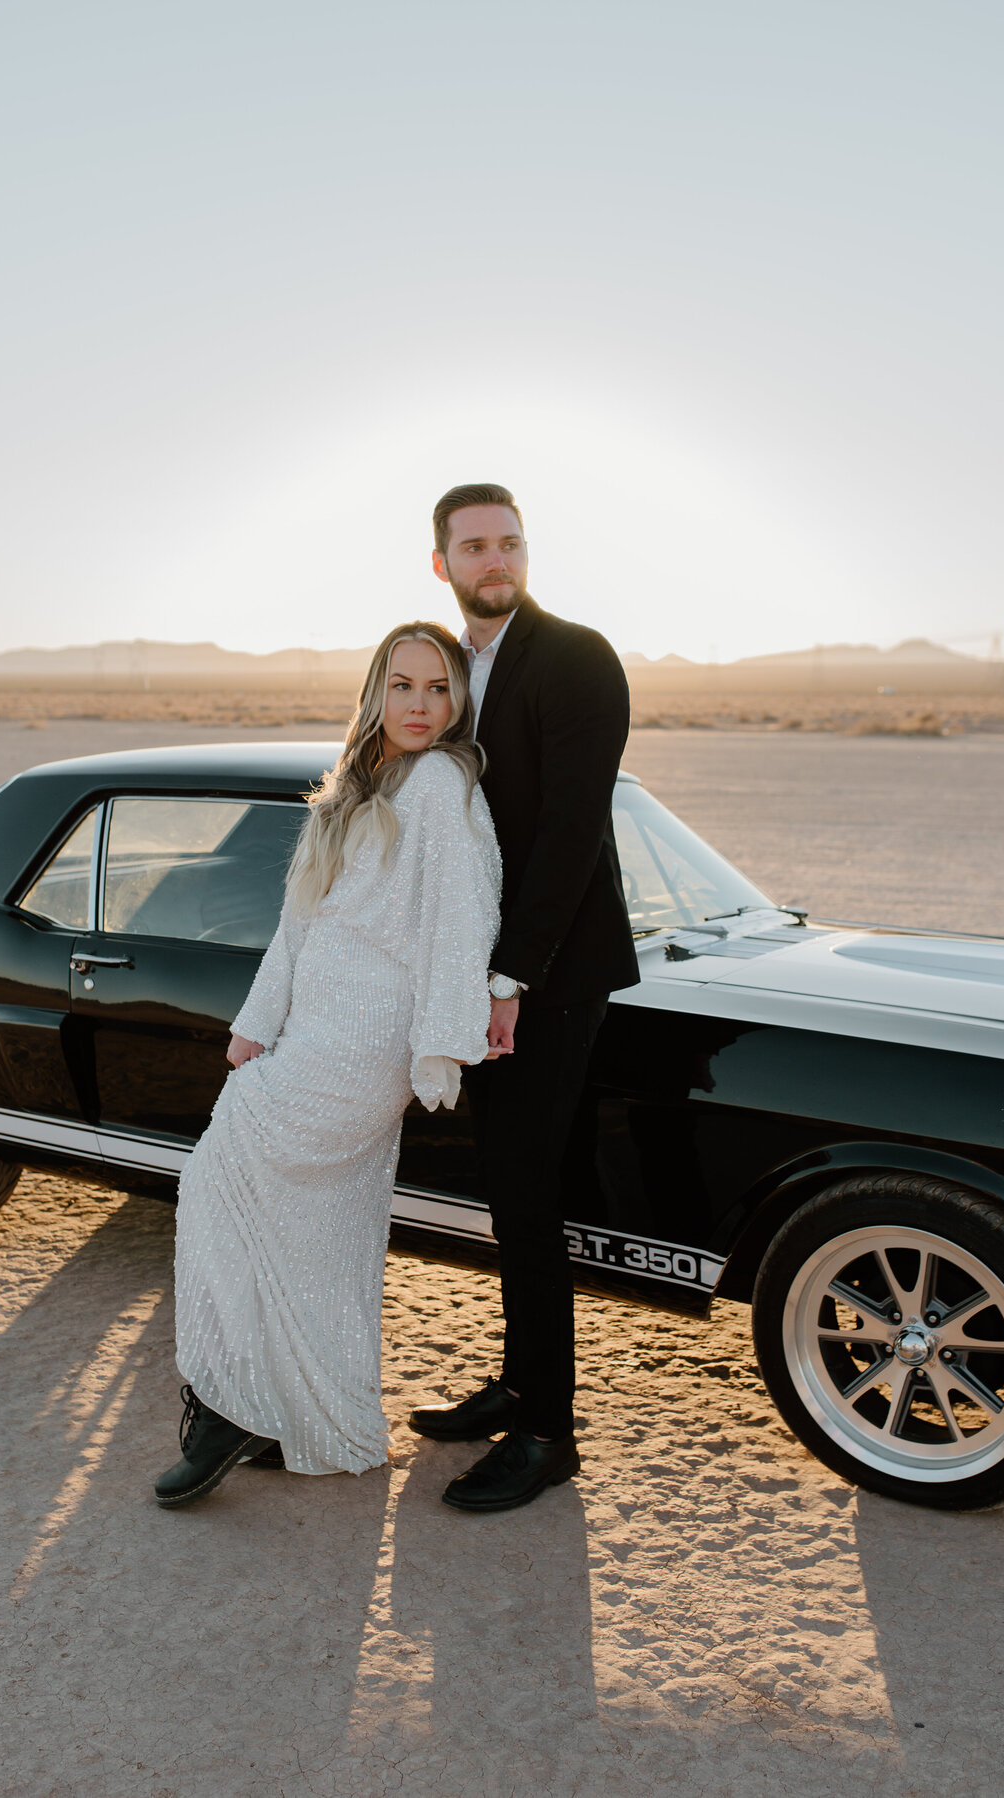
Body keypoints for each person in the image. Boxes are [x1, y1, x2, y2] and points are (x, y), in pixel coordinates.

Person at [154, 621, 502, 1505]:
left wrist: (439, 1050)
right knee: (312, 1236)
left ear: (458, 702)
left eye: (439, 688)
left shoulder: (442, 784)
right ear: (376, 691)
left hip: (368, 1039)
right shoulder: (356, 784)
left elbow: (465, 919)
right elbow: (298, 921)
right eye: (403, 685)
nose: (421, 705)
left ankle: (225, 1402)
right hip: (313, 1025)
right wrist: (255, 1025)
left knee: (213, 1183)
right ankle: (290, 1409)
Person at [409, 482, 638, 1514]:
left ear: (525, 552)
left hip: (548, 977)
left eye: (507, 542)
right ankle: (517, 1381)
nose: (493, 559)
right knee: (505, 1193)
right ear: (442, 564)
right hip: (482, 972)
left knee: (530, 1200)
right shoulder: (456, 671)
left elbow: (571, 833)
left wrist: (512, 979)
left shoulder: (576, 655)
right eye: (473, 546)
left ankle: (550, 1433)